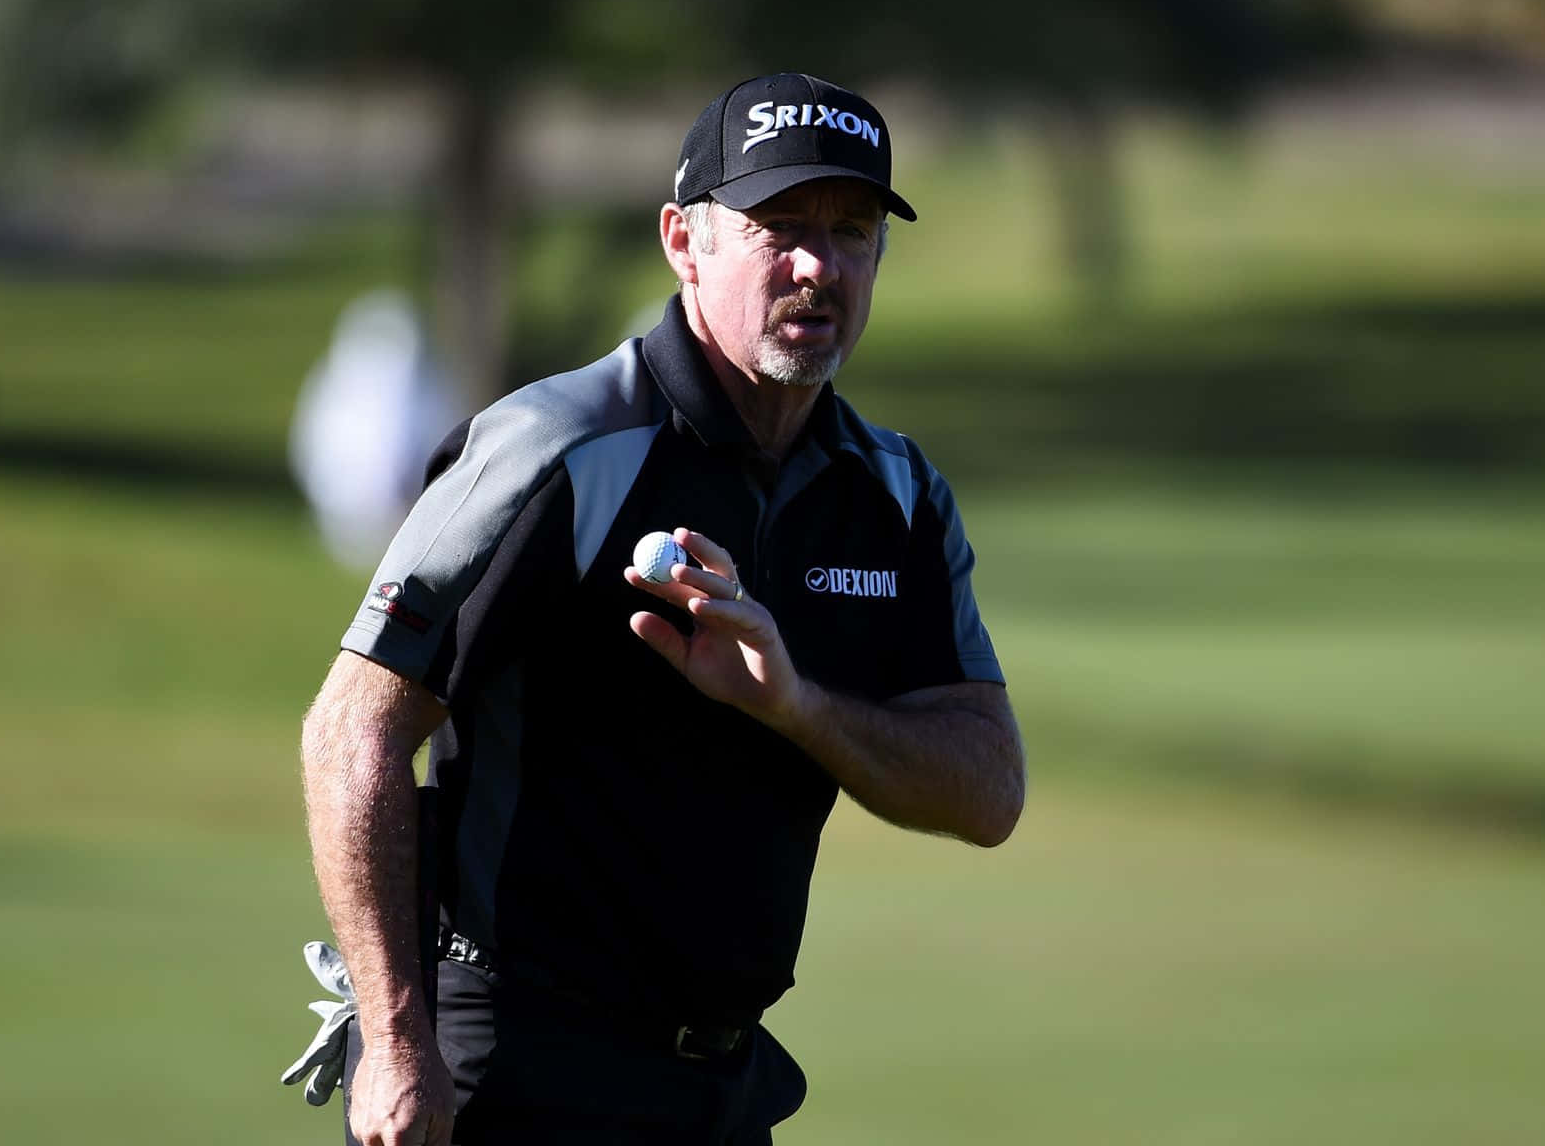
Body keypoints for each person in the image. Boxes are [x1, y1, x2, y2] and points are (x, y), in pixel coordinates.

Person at [295, 72, 1025, 1146]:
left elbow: (987, 789)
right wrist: (398, 1043)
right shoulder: (558, 450)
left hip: (722, 1085)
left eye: (852, 231)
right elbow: (352, 727)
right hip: (509, 1067)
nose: (818, 266)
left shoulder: (894, 496)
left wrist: (797, 709)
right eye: (779, 226)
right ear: (684, 241)